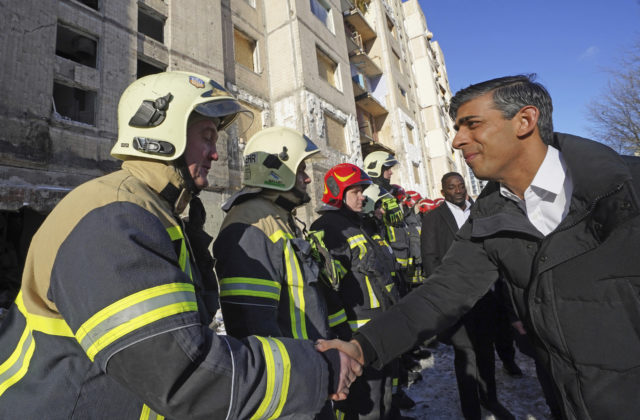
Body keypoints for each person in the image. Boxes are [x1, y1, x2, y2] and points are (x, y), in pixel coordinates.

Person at [0, 71, 361, 419]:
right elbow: (181, 374)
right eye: (207, 136)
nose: (215, 154)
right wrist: (319, 370)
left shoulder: (156, 213)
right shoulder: (114, 216)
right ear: (163, 130)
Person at [316, 74, 640, 420]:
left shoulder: (626, 188)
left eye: (472, 125)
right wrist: (361, 347)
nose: (457, 141)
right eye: (456, 127)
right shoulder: (489, 214)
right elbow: (442, 293)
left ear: (525, 121)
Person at [213, 126, 335, 419]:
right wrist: (294, 384)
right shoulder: (251, 224)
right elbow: (253, 327)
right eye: (301, 169)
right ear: (278, 172)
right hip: (292, 386)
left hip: (308, 369)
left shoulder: (278, 218)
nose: (307, 178)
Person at [421, 172, 513, 420]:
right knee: (465, 355)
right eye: (452, 187)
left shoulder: (481, 211)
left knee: (486, 351)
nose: (458, 190)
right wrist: (443, 295)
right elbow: (430, 259)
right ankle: (471, 410)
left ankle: (490, 399)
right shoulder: (433, 218)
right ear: (443, 192)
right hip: (457, 299)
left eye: (461, 185)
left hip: (487, 295)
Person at [311, 164, 399, 420]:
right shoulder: (328, 228)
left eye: (362, 191)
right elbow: (329, 288)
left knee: (386, 395)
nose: (363, 197)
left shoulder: (363, 225)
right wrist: (342, 336)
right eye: (356, 192)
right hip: (357, 334)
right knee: (365, 404)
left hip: (383, 326)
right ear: (338, 193)